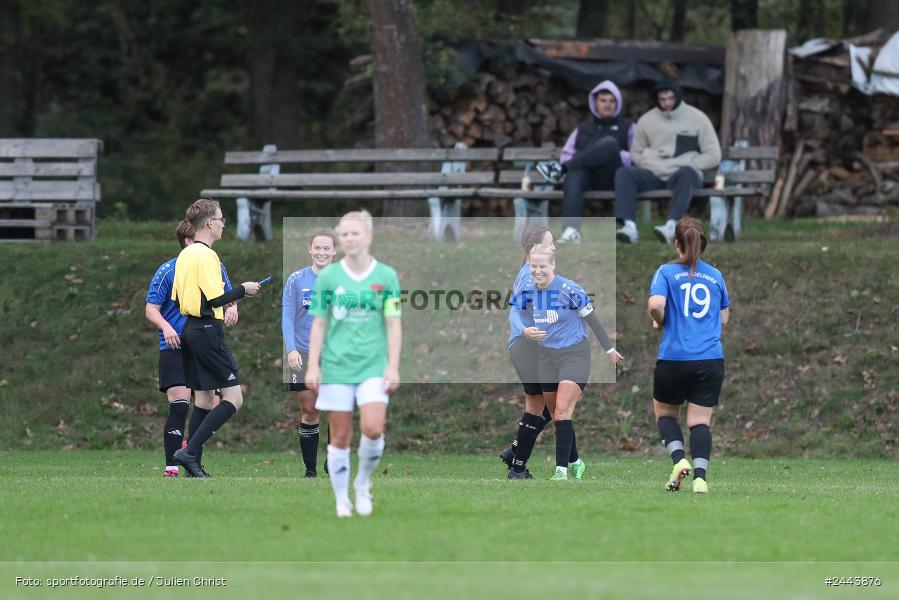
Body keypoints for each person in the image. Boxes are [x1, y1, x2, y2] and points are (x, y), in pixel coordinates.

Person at [305, 210, 402, 517]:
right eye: (344, 234)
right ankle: (341, 500)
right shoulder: (329, 277)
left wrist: (393, 365)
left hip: (373, 364)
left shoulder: (386, 276)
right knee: (341, 436)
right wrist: (313, 366)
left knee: (373, 428)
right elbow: (319, 324)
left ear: (368, 237)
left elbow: (393, 324)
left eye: (354, 233)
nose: (348, 238)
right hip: (336, 367)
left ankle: (362, 483)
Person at [514, 243, 623, 480]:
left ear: (553, 265)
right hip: (546, 358)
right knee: (557, 416)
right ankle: (575, 461)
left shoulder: (569, 289)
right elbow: (515, 315)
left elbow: (593, 321)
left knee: (563, 411)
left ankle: (561, 471)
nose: (537, 271)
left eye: (542, 266)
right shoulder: (528, 291)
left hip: (575, 355)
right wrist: (524, 330)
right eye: (533, 266)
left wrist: (609, 349)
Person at [171, 199, 261, 477]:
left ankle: (191, 464)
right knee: (233, 398)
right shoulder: (207, 255)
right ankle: (189, 451)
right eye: (222, 220)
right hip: (208, 331)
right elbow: (216, 298)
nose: (223, 225)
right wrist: (242, 290)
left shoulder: (185, 254)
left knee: (204, 399)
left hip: (190, 329)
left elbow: (176, 298)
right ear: (210, 223)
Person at [144, 219, 237, 477]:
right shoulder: (167, 270)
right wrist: (166, 327)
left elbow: (224, 296)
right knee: (180, 402)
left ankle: (191, 461)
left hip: (202, 343)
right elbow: (151, 309)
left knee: (208, 401)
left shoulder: (214, 264)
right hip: (174, 343)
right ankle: (171, 465)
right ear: (188, 241)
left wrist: (234, 308)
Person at [647, 217, 729, 494]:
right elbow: (724, 319)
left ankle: (679, 459)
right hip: (710, 358)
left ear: (677, 243)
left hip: (674, 356)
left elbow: (656, 305)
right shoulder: (715, 276)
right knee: (700, 421)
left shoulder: (666, 272)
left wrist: (660, 321)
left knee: (665, 413)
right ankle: (700, 479)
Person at [614, 80, 721, 244]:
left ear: (678, 97)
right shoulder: (646, 120)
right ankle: (629, 227)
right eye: (662, 99)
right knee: (624, 173)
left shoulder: (698, 119)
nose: (667, 103)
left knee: (687, 173)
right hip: (654, 173)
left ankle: (671, 227)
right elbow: (635, 152)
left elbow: (714, 154)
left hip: (683, 177)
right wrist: (648, 162)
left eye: (670, 98)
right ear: (656, 99)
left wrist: (692, 162)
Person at [501, 225, 568, 480]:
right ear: (534, 248)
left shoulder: (532, 271)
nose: (554, 247)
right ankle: (517, 467)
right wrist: (528, 331)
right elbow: (515, 312)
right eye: (549, 243)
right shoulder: (532, 276)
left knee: (554, 405)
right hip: (527, 346)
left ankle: (516, 454)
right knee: (546, 405)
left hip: (529, 346)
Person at [536, 80, 635, 244]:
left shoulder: (628, 126)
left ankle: (560, 170)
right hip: (588, 178)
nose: (607, 105)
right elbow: (567, 154)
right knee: (574, 175)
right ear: (595, 102)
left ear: (618, 103)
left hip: (615, 177)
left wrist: (616, 153)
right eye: (603, 100)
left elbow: (636, 155)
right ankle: (571, 230)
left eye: (612, 101)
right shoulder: (583, 128)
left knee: (609, 144)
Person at [281, 228, 337, 478]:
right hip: (303, 352)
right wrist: (291, 349)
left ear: (334, 251)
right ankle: (311, 470)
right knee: (310, 410)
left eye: (327, 248)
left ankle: (334, 458)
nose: (322, 252)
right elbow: (287, 318)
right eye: (318, 247)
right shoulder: (296, 279)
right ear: (310, 249)